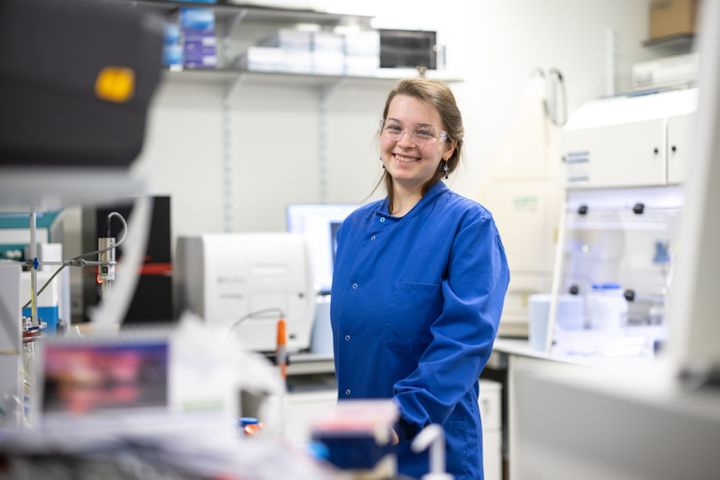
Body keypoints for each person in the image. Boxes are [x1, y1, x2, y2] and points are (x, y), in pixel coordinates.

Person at [330, 77, 510, 479]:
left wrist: (400, 418)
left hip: (431, 448)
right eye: (394, 127)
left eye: (424, 132)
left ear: (449, 147)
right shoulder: (355, 228)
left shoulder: (468, 225)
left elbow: (465, 341)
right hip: (361, 448)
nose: (405, 142)